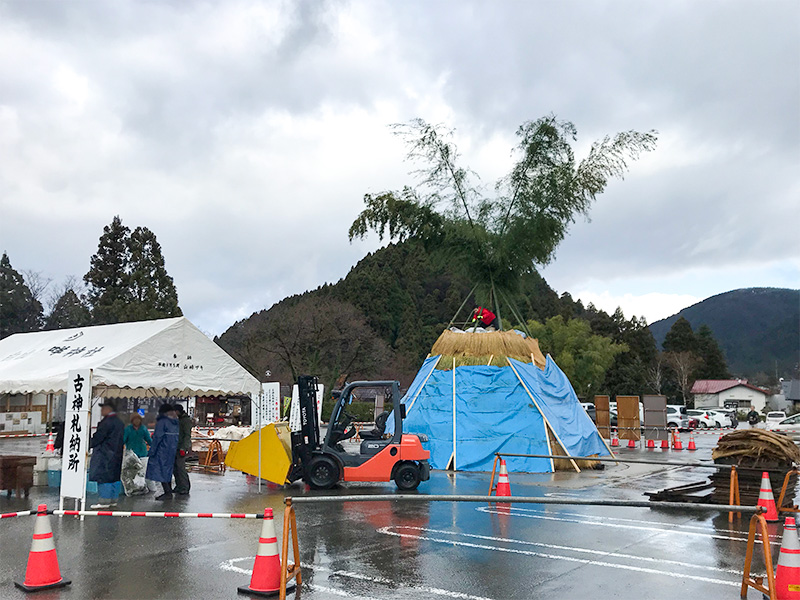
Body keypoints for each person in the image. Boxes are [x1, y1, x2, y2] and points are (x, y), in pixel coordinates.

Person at [88, 400, 125, 509]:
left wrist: (87, 444)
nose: (101, 410)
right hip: (117, 453)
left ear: (109, 409)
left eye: (103, 408)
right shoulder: (119, 422)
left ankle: (104, 501)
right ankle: (113, 500)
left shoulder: (106, 423)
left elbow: (98, 438)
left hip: (104, 454)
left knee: (103, 477)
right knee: (115, 477)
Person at [146, 404, 179, 500]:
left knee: (160, 471)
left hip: (162, 450)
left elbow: (157, 437)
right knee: (167, 471)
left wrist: (152, 451)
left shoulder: (162, 422)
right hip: (172, 450)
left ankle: (167, 492)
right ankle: (168, 491)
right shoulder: (175, 422)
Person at [123, 413, 155, 493]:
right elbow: (123, 440)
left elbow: (149, 439)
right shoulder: (128, 429)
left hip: (143, 453)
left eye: (138, 419)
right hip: (131, 455)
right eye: (135, 419)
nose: (137, 421)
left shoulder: (143, 429)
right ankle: (135, 488)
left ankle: (146, 488)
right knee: (132, 473)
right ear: (132, 420)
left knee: (143, 472)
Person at [173, 404, 192, 495]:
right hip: (175, 446)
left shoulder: (185, 421)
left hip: (181, 447)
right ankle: (179, 485)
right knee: (175, 468)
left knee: (181, 468)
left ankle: (185, 487)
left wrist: (184, 448)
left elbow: (187, 435)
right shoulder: (178, 420)